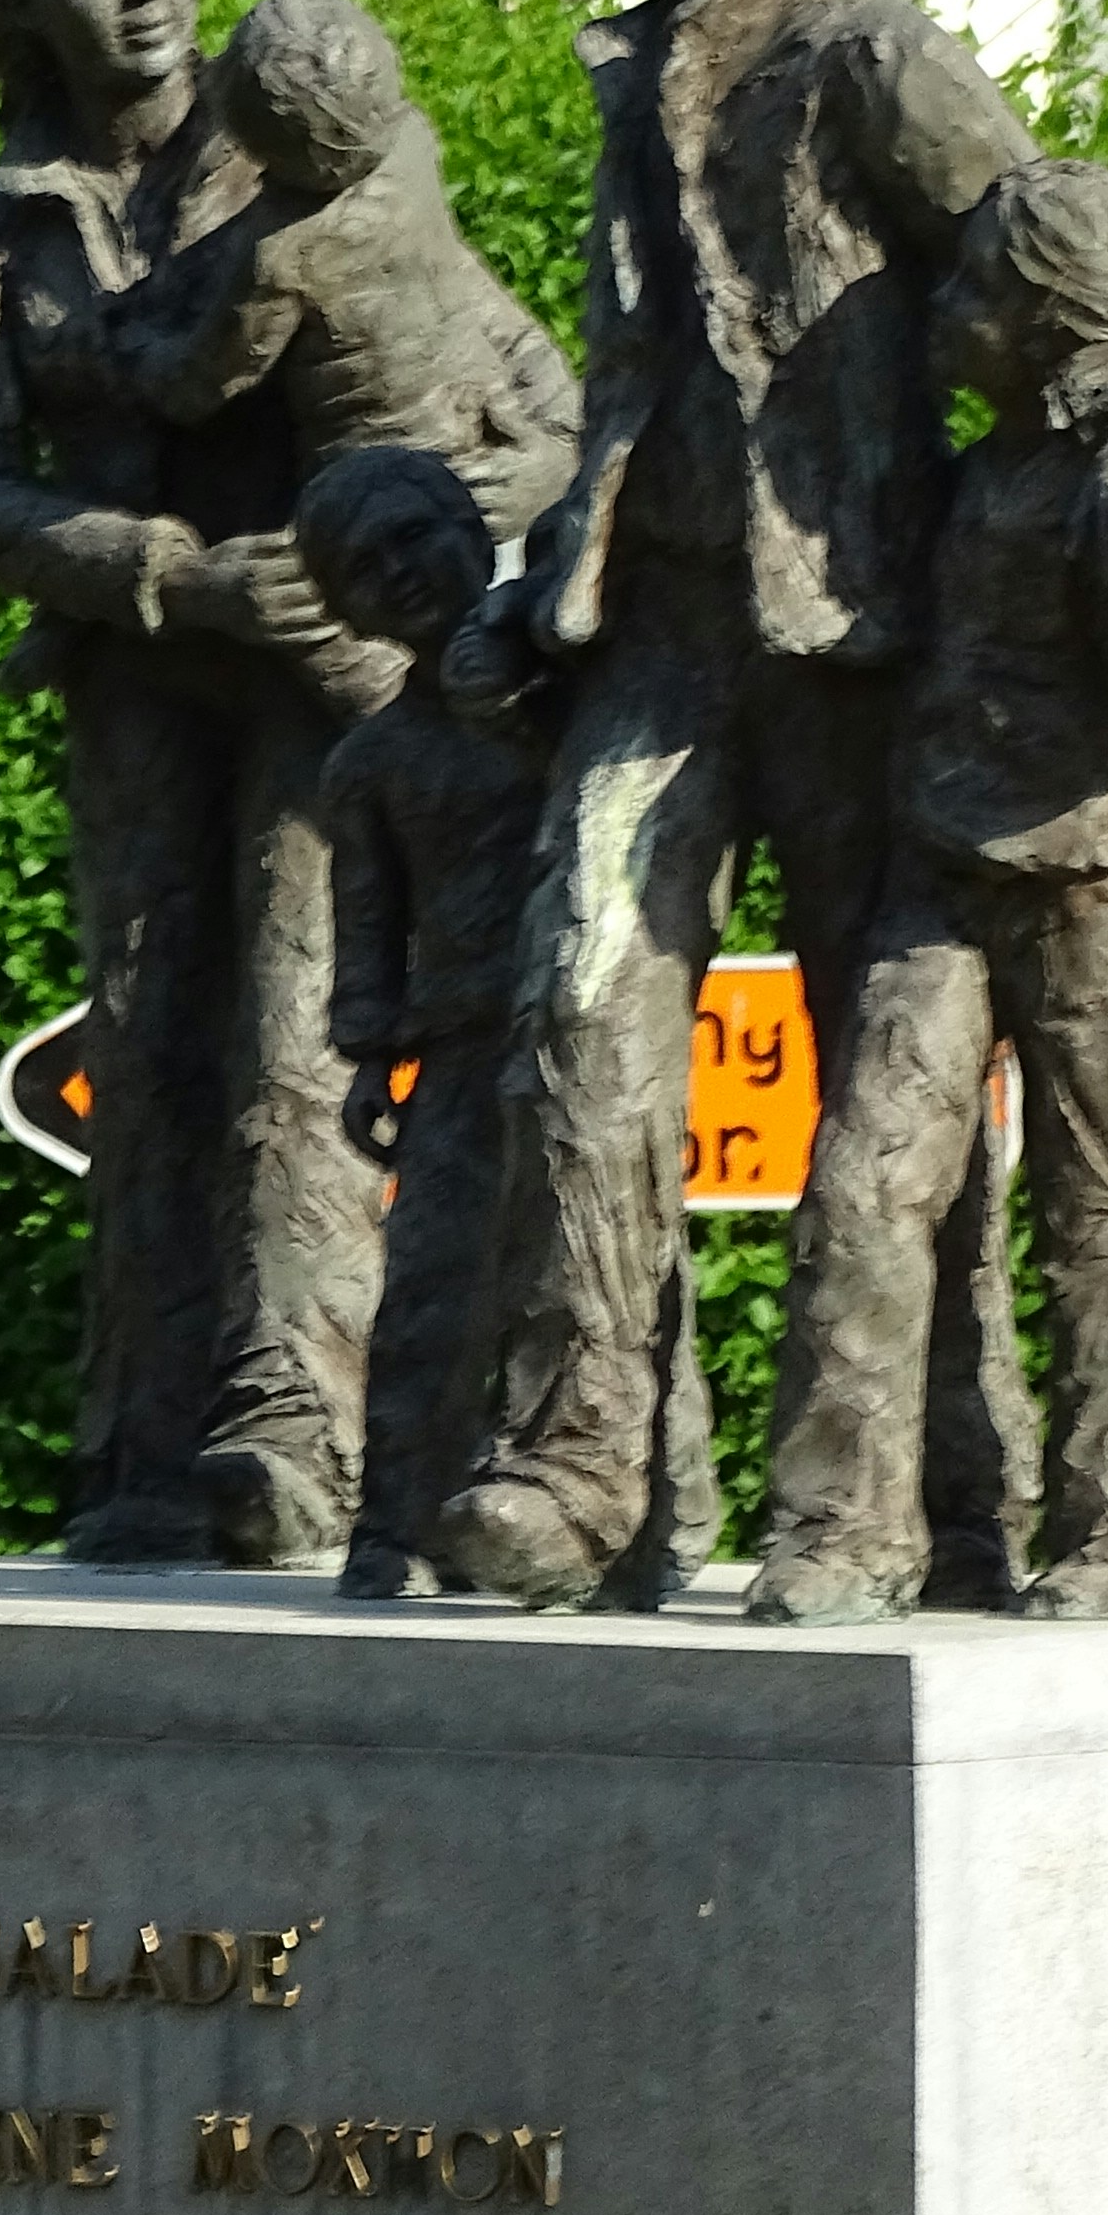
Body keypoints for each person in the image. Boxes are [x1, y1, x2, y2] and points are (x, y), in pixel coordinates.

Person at [418, 0, 1035, 1615]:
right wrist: (548, 589)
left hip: (854, 642)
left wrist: (1081, 547)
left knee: (893, 1087)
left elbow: (1058, 273)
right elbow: (630, 381)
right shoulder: (636, 63)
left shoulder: (872, 56)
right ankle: (579, 1467)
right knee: (576, 1019)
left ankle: (955, 1483)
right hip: (660, 636)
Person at [0, 0, 387, 1570]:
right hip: (135, 677)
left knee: (294, 1027)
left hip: (312, 671)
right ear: (28, 6)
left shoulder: (291, 158)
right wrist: (164, 570)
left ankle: (291, 1427)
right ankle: (139, 1436)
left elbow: (444, 362)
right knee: (148, 1036)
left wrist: (349, 570)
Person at [751, 162, 1108, 1625]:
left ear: (1041, 316)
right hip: (942, 854)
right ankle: (849, 1527)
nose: (943, 315)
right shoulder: (1005, 454)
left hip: (1096, 873)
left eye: (972, 292)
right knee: (864, 1183)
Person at [287, 446, 706, 1596]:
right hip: (462, 1052)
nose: (403, 573)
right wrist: (370, 1054)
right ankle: (396, 1527)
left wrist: (521, 709)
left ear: (472, 534)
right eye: (365, 570)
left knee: (618, 1271)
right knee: (432, 1292)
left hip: (586, 1034)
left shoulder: (573, 704)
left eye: (415, 538)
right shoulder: (369, 762)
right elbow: (367, 922)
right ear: (346, 612)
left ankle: (653, 1524)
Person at [98, 0, 575, 544]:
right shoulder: (413, 147)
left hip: (388, 489)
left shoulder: (280, 257)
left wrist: (133, 345)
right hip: (491, 418)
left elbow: (203, 383)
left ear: (254, 133)